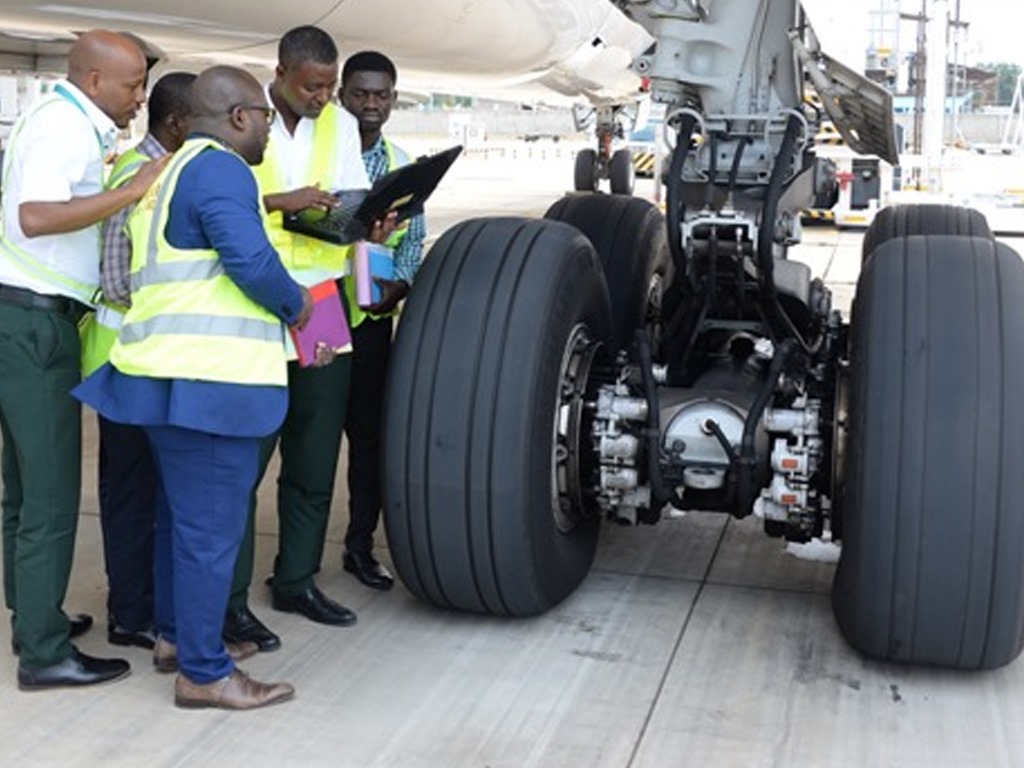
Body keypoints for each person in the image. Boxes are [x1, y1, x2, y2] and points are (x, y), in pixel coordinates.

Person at [74, 64, 307, 710]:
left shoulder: (170, 170)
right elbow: (250, 261)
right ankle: (203, 673)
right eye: (262, 117)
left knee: (180, 521)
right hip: (209, 385)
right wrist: (298, 306)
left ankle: (177, 638)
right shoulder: (222, 168)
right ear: (239, 117)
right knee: (210, 531)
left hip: (163, 377)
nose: (266, 130)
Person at [0, 29, 168, 690]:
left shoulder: (63, 121)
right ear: (95, 80)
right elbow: (35, 217)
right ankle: (42, 654)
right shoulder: (65, 129)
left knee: (21, 491)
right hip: (37, 325)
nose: (139, 97)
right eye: (132, 85)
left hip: (21, 317)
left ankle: (32, 615)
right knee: (49, 498)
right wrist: (132, 193)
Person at [225, 25, 393, 653]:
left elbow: (344, 203)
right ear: (281, 72)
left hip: (322, 300)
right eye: (313, 86)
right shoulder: (242, 117)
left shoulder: (339, 125)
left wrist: (367, 222)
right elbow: (214, 194)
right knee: (245, 461)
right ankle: (229, 601)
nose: (326, 97)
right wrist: (278, 202)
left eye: (330, 85)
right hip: (258, 298)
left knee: (316, 451)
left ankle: (295, 578)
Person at [83, 71, 197, 652]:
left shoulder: (166, 172)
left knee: (150, 492)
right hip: (123, 362)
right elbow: (116, 277)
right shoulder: (138, 175)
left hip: (145, 361)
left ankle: (144, 604)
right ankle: (129, 615)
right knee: (129, 494)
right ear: (178, 123)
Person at [338, 51, 426, 590]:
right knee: (311, 442)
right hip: (318, 317)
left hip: (371, 322)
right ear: (343, 95)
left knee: (368, 441)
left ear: (393, 99)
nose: (371, 104)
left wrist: (401, 285)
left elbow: (412, 242)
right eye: (360, 94)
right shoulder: (322, 154)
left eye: (381, 95)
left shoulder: (402, 164)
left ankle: (358, 547)